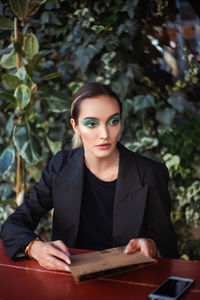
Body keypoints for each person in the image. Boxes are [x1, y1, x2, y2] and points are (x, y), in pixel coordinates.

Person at [1, 82, 179, 272]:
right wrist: (35, 248)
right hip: (69, 278)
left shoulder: (149, 173)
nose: (105, 134)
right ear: (75, 126)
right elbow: (14, 224)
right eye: (91, 124)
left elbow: (168, 248)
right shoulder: (60, 165)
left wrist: (152, 246)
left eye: (113, 121)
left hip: (131, 280)